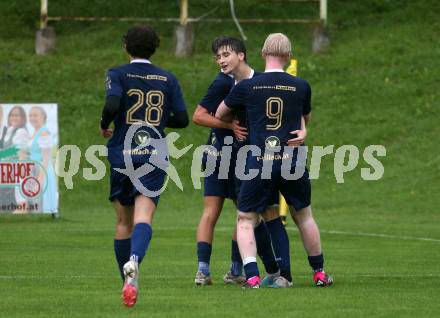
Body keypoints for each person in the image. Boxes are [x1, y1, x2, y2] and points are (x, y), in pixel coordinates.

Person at [216, 33, 333, 288]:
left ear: (262, 54)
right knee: (304, 216)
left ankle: (253, 276)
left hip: (259, 160)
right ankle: (319, 272)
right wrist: (303, 131)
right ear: (288, 56)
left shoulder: (247, 86)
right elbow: (305, 119)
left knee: (245, 219)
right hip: (291, 158)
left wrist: (235, 122)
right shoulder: (301, 85)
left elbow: (220, 113)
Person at [100, 25, 189, 307]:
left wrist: (105, 124)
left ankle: (127, 281)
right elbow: (183, 118)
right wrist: (158, 122)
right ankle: (135, 261)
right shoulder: (167, 77)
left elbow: (113, 103)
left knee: (123, 222)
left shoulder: (117, 73)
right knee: (143, 218)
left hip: (122, 153)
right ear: (155, 48)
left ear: (126, 46)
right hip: (153, 154)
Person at [192, 37, 287, 287]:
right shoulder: (221, 82)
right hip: (217, 154)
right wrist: (228, 125)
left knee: (248, 215)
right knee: (211, 212)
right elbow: (198, 116)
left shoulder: (259, 81)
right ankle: (203, 270)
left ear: (241, 55)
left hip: (244, 157)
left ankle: (240, 269)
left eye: (226, 55)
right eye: (218, 56)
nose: (221, 60)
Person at [27, 106, 58, 213]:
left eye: (35, 115)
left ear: (43, 117)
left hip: (42, 170)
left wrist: (39, 179)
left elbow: (46, 158)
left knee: (42, 199)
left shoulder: (44, 133)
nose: (32, 118)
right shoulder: (35, 132)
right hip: (34, 168)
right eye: (30, 115)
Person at [0, 106, 30, 212]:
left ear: (22, 118)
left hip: (18, 169)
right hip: (7, 169)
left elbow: (19, 151)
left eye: (17, 115)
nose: (13, 117)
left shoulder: (21, 132)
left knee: (21, 200)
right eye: (12, 115)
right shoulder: (8, 131)